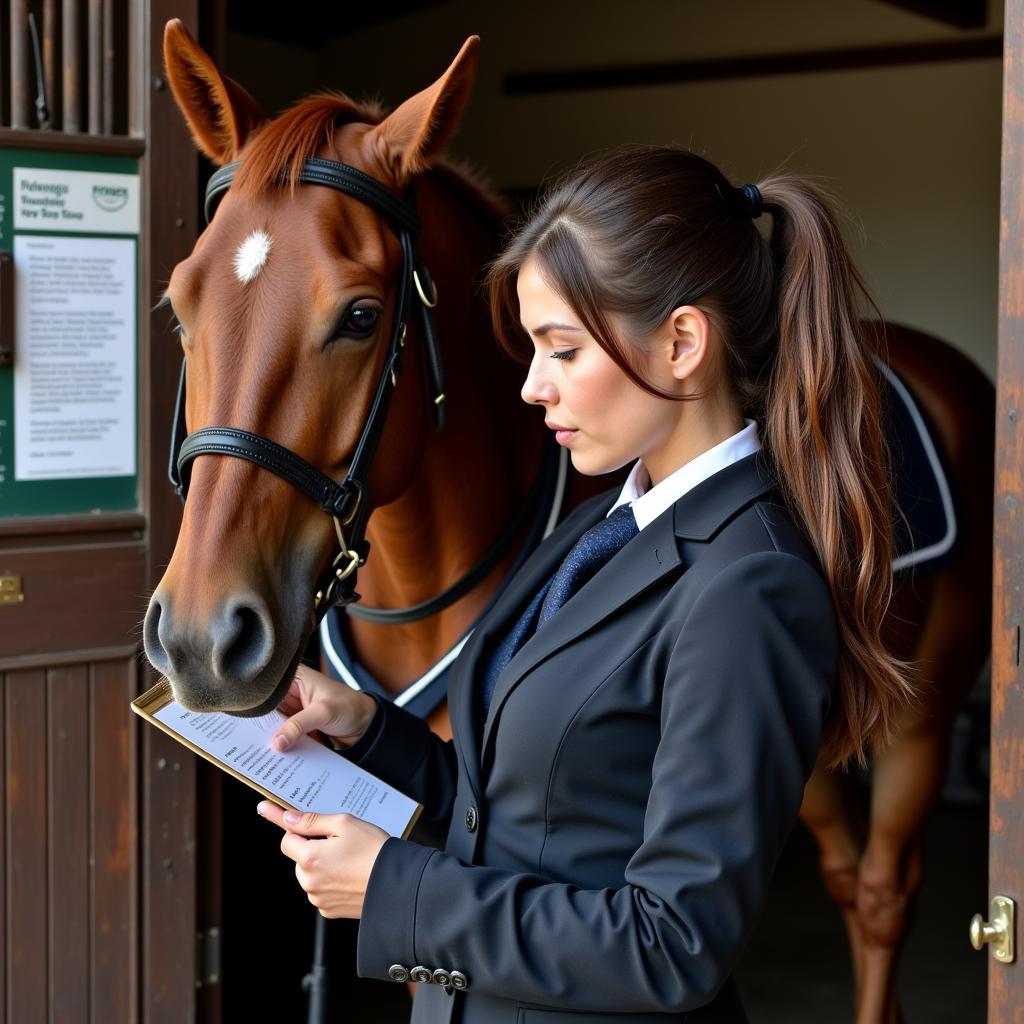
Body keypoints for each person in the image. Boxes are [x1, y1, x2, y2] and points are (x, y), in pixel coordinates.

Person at [255, 144, 916, 1023]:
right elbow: (530, 816)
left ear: (682, 341)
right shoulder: (601, 524)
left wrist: (396, 887)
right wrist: (371, 728)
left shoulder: (750, 583)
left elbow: (677, 943)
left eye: (562, 350)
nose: (533, 387)